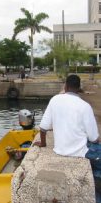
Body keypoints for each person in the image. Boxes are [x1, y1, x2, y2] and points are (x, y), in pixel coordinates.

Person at [34, 74, 101, 202]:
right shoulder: (85, 106)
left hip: (59, 150)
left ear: (65, 86)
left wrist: (43, 143)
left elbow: (43, 127)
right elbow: (93, 138)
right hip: (81, 152)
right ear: (79, 88)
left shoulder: (55, 100)